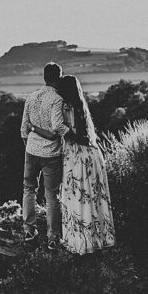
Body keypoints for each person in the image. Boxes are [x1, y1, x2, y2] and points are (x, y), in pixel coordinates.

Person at [32, 74, 115, 254]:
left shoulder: (63, 107)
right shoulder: (81, 107)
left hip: (77, 157)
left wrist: (35, 128)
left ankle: (80, 244)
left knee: (77, 198)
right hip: (92, 155)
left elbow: (57, 132)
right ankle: (97, 240)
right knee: (93, 198)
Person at [8, 62, 68, 246]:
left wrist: (29, 143)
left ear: (44, 77)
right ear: (58, 78)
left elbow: (23, 128)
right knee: (51, 195)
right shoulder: (57, 99)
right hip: (51, 154)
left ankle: (29, 231)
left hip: (31, 150)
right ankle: (53, 237)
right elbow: (57, 126)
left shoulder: (31, 97)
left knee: (28, 189)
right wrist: (73, 135)